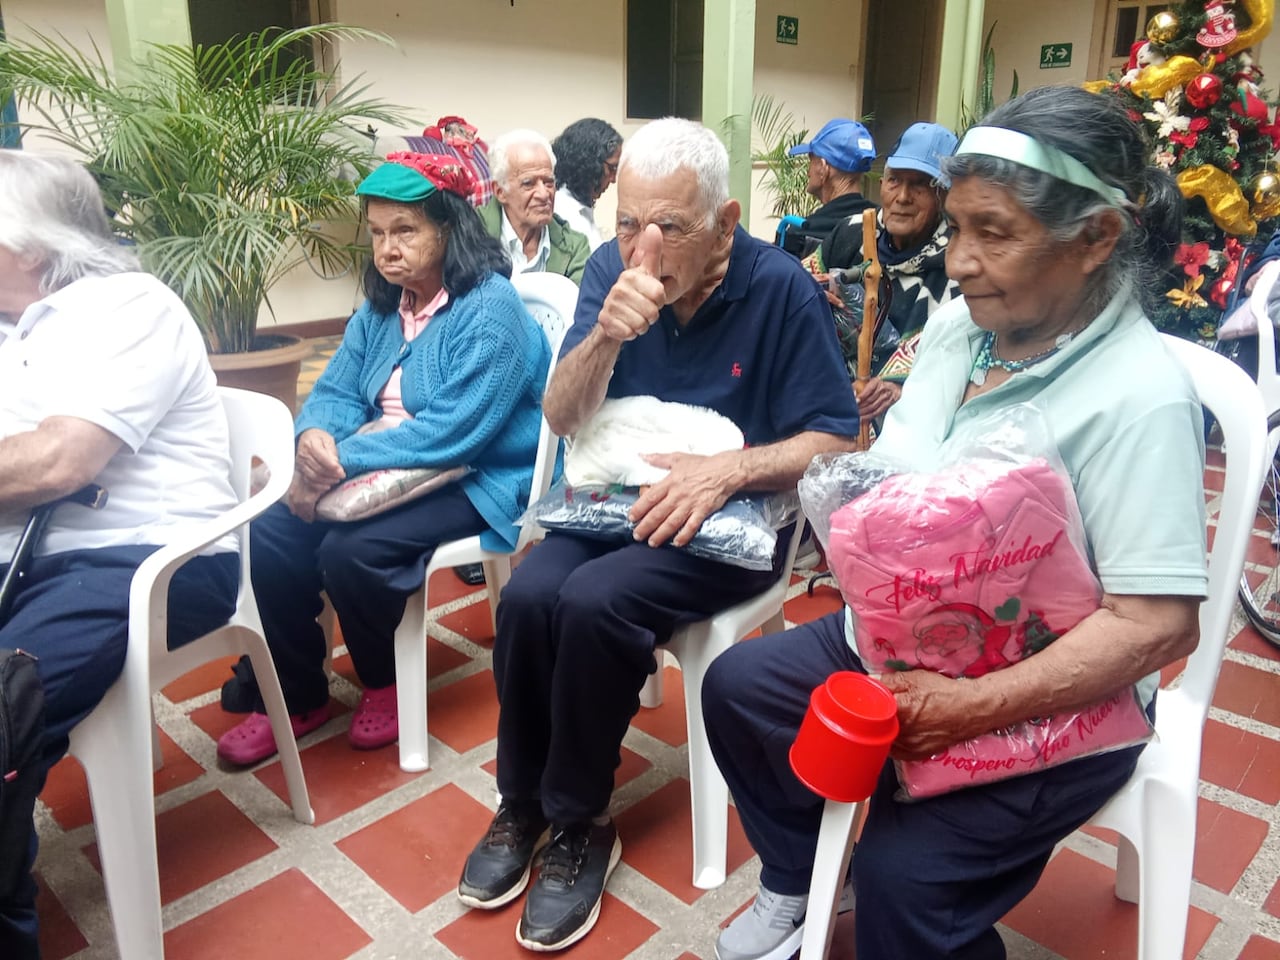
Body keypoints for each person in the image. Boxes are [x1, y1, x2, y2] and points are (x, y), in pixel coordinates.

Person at [703, 86, 1207, 960]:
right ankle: (798, 874)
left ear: (1096, 239)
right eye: (960, 228)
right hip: (905, 638)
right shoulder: (960, 327)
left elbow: (1156, 627)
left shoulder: (1141, 397)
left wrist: (970, 707)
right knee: (738, 692)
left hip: (1055, 690)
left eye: (994, 232)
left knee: (911, 886)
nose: (961, 259)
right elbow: (899, 479)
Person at [455, 117, 861, 953]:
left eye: (669, 227)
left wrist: (726, 470)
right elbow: (563, 417)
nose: (643, 247)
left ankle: (577, 820)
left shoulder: (780, 288)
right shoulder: (611, 273)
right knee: (532, 592)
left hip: (731, 519)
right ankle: (521, 801)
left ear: (725, 221)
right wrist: (605, 332)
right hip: (614, 501)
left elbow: (834, 435)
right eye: (628, 223)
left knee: (597, 603)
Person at [215, 153, 551, 766]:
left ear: (449, 228)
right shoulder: (381, 307)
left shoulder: (491, 307)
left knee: (353, 553)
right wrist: (313, 436)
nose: (387, 249)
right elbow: (337, 390)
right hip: (378, 460)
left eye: (405, 231)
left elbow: (457, 432)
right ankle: (297, 692)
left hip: (481, 472)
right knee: (270, 530)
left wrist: (337, 457)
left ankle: (384, 681)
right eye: (376, 233)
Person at [0, 151, 240, 958]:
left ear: (29, 245)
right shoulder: (14, 329)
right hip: (31, 563)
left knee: (2, 706)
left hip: (145, 564)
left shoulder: (129, 306)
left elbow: (56, 462)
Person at [821, 121, 960, 420]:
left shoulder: (956, 266)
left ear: (946, 195)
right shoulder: (852, 233)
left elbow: (953, 374)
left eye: (921, 184)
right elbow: (802, 286)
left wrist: (902, 391)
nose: (903, 196)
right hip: (828, 401)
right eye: (894, 180)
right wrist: (812, 290)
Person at [478, 129, 590, 284]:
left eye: (548, 182)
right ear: (500, 191)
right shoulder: (471, 236)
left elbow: (577, 305)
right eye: (528, 183)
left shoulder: (574, 247)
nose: (544, 194)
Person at [780, 118, 877, 259]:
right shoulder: (879, 225)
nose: (808, 172)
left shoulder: (801, 232)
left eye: (811, 161)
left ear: (823, 168)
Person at [552, 117, 623, 251]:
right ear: (589, 164)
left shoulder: (582, 209)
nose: (613, 179)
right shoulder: (562, 216)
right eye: (612, 168)